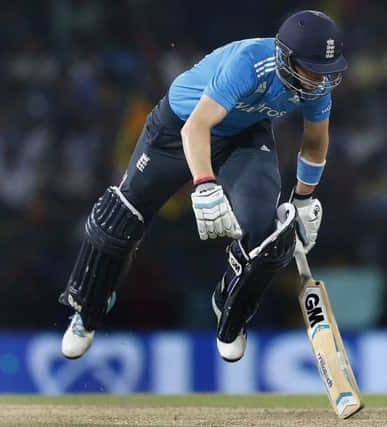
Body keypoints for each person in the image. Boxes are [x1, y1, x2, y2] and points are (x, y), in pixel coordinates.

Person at [58, 9, 348, 362]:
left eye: (327, 73)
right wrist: (206, 185)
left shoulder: (315, 86)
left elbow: (315, 143)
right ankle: (88, 311)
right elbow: (195, 128)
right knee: (120, 219)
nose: (321, 81)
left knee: (265, 234)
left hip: (244, 136)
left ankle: (231, 307)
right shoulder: (249, 64)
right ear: (286, 58)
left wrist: (303, 200)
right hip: (179, 127)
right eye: (314, 71)